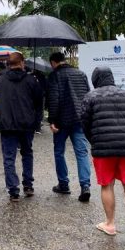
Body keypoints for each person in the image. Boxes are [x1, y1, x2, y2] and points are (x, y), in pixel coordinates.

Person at [81, 67, 125, 236]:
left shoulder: (91, 97)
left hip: (103, 147)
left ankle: (110, 224)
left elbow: (85, 123)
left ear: (95, 80)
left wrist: (94, 140)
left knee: (107, 184)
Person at [0, 52, 43, 202]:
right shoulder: (31, 80)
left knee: (9, 158)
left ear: (9, 64)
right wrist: (37, 122)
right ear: (21, 63)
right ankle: (28, 185)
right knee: (27, 153)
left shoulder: (0, 80)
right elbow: (39, 102)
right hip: (27, 124)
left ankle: (13, 190)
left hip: (7, 125)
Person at [47, 51, 92, 202]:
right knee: (82, 152)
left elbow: (54, 99)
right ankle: (85, 186)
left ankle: (64, 184)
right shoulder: (81, 74)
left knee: (59, 152)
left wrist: (52, 121)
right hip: (79, 120)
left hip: (62, 121)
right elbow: (87, 96)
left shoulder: (54, 76)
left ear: (53, 62)